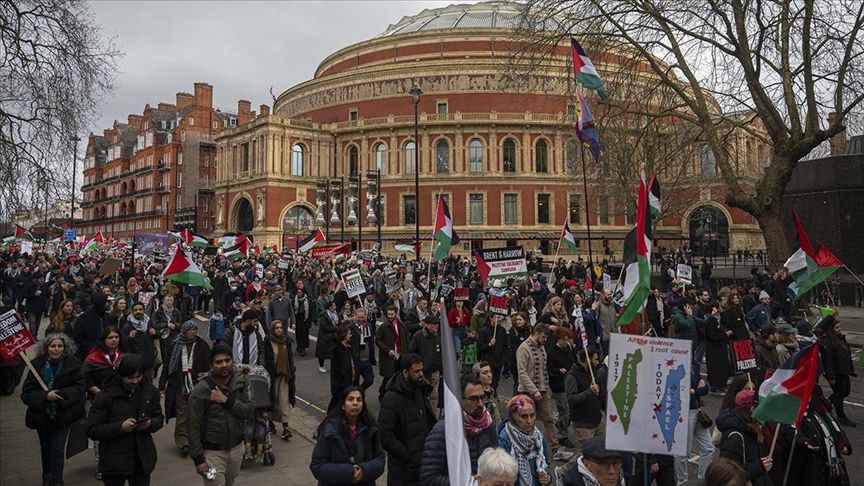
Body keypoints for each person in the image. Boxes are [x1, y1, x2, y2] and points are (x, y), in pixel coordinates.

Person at [87, 354, 163, 486]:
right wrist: (120, 427)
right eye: (130, 378)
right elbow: (93, 430)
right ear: (121, 375)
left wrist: (150, 424)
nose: (135, 381)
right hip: (113, 462)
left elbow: (159, 418)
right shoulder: (105, 396)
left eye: (138, 377)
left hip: (142, 460)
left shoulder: (150, 392)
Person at [21, 333, 86, 486]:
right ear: (46, 348)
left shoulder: (73, 364)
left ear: (65, 348)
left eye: (59, 346)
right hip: (42, 415)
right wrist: (45, 396)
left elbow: (80, 388)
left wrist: (61, 395)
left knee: (57, 449)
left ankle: (57, 481)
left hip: (64, 414)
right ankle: (47, 476)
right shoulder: (36, 365)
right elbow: (26, 394)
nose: (56, 349)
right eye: (53, 346)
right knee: (46, 447)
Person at [186, 344, 254, 486]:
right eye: (219, 362)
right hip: (212, 454)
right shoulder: (201, 390)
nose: (224, 365)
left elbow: (248, 411)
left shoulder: (242, 381)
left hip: (236, 449)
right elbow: (193, 425)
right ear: (211, 365)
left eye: (227, 360)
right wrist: (198, 459)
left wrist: (226, 401)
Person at [421, 374, 499, 484]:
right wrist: (468, 482)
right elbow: (429, 479)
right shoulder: (442, 431)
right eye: (474, 399)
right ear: (459, 399)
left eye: (482, 397)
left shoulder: (487, 424)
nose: (481, 404)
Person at [516, 322, 571, 462]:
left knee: (548, 419)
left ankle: (555, 449)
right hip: (527, 391)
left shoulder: (542, 348)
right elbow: (522, 373)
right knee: (527, 420)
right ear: (536, 333)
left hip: (543, 389)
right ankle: (526, 448)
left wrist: (545, 388)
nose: (546, 340)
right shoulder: (523, 349)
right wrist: (534, 390)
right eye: (544, 337)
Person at [378, 353, 436, 486]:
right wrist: (407, 456)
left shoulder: (419, 390)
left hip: (423, 467)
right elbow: (385, 436)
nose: (421, 374)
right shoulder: (391, 398)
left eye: (421, 370)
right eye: (417, 371)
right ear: (405, 372)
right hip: (403, 472)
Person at [309, 386, 386, 485]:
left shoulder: (370, 429)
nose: (355, 403)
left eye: (359, 400)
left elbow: (380, 460)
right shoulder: (330, 431)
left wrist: (363, 471)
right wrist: (349, 472)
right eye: (350, 399)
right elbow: (317, 466)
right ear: (343, 406)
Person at [161, 321, 211, 456]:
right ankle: (183, 443)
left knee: (197, 414)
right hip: (179, 385)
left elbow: (208, 364)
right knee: (182, 414)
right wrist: (162, 385)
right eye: (190, 329)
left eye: (195, 329)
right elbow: (167, 365)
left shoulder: (201, 345)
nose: (193, 332)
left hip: (197, 385)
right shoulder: (175, 345)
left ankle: (198, 440)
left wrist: (206, 377)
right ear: (184, 330)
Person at [715, 390, 773, 486]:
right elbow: (729, 472)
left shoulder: (750, 429)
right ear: (752, 409)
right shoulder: (735, 437)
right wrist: (760, 466)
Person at [496, 395, 552, 485]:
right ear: (514, 417)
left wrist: (547, 477)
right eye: (524, 416)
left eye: (532, 415)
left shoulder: (538, 437)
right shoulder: (504, 442)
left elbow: (546, 464)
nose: (529, 421)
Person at [674, 362, 715, 484]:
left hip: (697, 412)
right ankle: (682, 481)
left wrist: (692, 390)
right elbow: (681, 390)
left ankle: (702, 480)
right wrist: (696, 389)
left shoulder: (694, 367)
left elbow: (705, 389)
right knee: (683, 451)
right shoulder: (676, 368)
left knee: (708, 448)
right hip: (684, 412)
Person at [822, 318, 856, 427]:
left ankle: (827, 403)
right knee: (840, 393)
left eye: (839, 327)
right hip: (836, 372)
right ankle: (841, 417)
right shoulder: (828, 341)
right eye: (836, 328)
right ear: (831, 329)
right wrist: (831, 376)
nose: (839, 329)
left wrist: (850, 368)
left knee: (846, 391)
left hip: (844, 370)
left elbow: (847, 353)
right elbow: (828, 360)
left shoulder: (840, 338)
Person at [266, 320, 296, 440]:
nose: (279, 330)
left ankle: (285, 427)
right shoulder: (268, 342)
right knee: (272, 401)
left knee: (284, 401)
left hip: (284, 376)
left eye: (280, 328)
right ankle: (271, 423)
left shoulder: (286, 341)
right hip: (272, 377)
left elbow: (290, 358)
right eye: (276, 328)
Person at [548, 327, 576, 449]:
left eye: (568, 339)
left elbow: (574, 361)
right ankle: (561, 434)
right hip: (558, 385)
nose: (566, 342)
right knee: (564, 411)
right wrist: (558, 370)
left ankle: (560, 428)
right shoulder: (552, 351)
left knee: (569, 411)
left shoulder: (569, 348)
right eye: (564, 340)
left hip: (569, 383)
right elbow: (549, 368)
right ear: (558, 339)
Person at [408, 314, 443, 411]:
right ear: (427, 325)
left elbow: (440, 353)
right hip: (422, 372)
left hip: (435, 371)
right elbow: (412, 352)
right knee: (422, 395)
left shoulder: (437, 336)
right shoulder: (418, 336)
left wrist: (441, 369)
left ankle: (432, 415)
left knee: (434, 395)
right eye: (434, 324)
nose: (436, 326)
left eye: (437, 324)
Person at [561, 436, 626, 486]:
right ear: (586, 464)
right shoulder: (573, 482)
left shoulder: (620, 477)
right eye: (604, 465)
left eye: (615, 464)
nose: (612, 471)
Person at [375, 305, 408, 402]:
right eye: (388, 314)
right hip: (389, 356)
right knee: (388, 377)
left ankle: (397, 394)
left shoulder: (402, 325)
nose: (390, 316)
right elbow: (378, 340)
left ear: (396, 314)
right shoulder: (383, 327)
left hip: (400, 354)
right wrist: (387, 350)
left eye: (392, 314)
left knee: (400, 375)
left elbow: (406, 339)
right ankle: (382, 393)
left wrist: (407, 351)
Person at [121, 302, 158, 380]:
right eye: (136, 310)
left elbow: (157, 336)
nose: (138, 312)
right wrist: (129, 337)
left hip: (149, 360)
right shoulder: (127, 326)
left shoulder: (148, 322)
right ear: (132, 312)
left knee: (149, 383)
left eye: (140, 309)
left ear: (144, 310)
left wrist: (155, 333)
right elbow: (123, 345)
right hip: (137, 362)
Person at [73, 293, 112, 360]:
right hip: (88, 357)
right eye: (107, 301)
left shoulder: (107, 317)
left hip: (107, 355)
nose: (110, 303)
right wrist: (94, 348)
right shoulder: (84, 319)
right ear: (101, 302)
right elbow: (78, 338)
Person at [704, 301, 732, 394]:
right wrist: (725, 334)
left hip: (720, 346)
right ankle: (715, 387)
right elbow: (712, 335)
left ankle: (721, 385)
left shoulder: (719, 317)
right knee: (716, 368)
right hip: (714, 348)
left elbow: (727, 322)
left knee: (723, 367)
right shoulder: (710, 320)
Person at [329, 325, 358, 412]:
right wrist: (343, 382)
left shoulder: (349, 347)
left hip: (350, 379)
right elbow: (337, 369)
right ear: (343, 335)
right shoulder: (336, 350)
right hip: (341, 382)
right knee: (337, 400)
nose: (350, 335)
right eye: (349, 334)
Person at [347, 307, 376, 392]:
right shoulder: (350, 327)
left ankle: (359, 391)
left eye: (362, 317)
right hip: (356, 359)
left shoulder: (368, 326)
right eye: (359, 318)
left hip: (366, 359)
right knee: (354, 382)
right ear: (355, 316)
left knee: (370, 380)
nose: (361, 320)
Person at [479, 313, 509, 392]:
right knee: (491, 382)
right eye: (496, 317)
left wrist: (504, 357)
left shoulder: (502, 330)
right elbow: (480, 347)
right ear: (491, 318)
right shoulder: (484, 330)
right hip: (488, 361)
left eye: (499, 317)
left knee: (496, 382)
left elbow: (505, 345)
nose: (498, 319)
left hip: (499, 360)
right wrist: (489, 344)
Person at [316, 300, 340, 373]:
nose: (335, 307)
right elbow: (324, 327)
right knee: (322, 353)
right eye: (334, 306)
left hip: (332, 336)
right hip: (324, 337)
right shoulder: (324, 316)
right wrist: (335, 328)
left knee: (333, 352)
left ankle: (334, 366)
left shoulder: (335, 314)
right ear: (330, 307)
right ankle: (321, 366)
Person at [293, 287, 311, 357]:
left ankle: (303, 348)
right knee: (298, 334)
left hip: (305, 318)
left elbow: (310, 310)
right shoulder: (295, 300)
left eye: (300, 292)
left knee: (304, 334)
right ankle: (299, 346)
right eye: (298, 292)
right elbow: (293, 310)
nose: (299, 294)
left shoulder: (307, 300)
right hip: (298, 317)